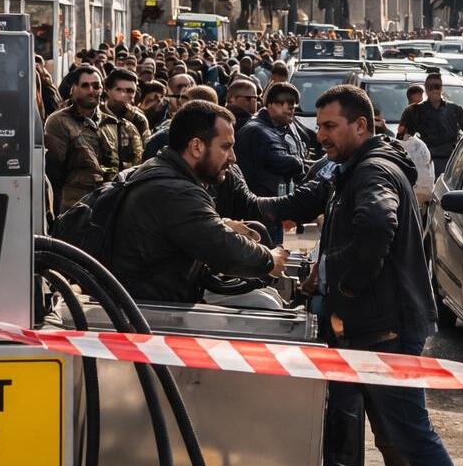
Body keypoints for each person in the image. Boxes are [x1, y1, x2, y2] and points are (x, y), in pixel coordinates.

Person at [296, 84, 463, 466]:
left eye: (331, 126)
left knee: (413, 433)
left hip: (385, 328)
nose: (322, 136)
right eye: (319, 127)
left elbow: (377, 225)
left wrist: (346, 287)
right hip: (378, 325)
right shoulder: (357, 167)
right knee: (394, 433)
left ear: (361, 125)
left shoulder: (373, 171)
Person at [105, 101, 288, 302]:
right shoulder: (175, 191)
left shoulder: (166, 175)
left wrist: (224, 223)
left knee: (265, 297)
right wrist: (270, 259)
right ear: (196, 146)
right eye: (226, 147)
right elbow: (223, 248)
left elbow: (190, 226)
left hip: (161, 295)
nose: (233, 158)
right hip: (153, 308)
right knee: (264, 303)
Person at [44, 65, 140, 212]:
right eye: (85, 86)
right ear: (73, 88)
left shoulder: (113, 123)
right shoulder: (59, 122)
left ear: (102, 89)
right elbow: (53, 174)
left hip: (108, 205)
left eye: (96, 86)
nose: (91, 91)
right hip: (73, 207)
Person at [233, 82, 307, 244]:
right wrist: (300, 162)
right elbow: (284, 162)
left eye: (293, 103)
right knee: (267, 256)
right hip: (260, 210)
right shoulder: (258, 130)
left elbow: (303, 147)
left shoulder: (285, 126)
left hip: (275, 207)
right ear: (271, 104)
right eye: (285, 103)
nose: (291, 108)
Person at [399, 71, 463, 175]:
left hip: (451, 163)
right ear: (426, 89)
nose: (434, 90)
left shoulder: (455, 110)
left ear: (441, 88)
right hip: (425, 163)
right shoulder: (414, 111)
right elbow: (403, 140)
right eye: (430, 87)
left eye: (437, 86)